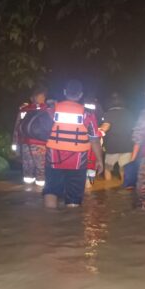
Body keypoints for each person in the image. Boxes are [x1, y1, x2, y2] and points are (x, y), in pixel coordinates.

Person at [43, 80, 104, 208]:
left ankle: (48, 221)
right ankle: (71, 224)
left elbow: (43, 131)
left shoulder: (52, 109)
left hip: (54, 157)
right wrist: (99, 160)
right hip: (78, 160)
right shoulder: (88, 113)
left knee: (51, 190)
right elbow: (94, 139)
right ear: (80, 94)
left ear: (65, 92)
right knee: (74, 197)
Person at [12, 87, 48, 187]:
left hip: (25, 143)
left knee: (27, 168)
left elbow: (17, 129)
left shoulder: (24, 110)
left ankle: (27, 190)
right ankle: (40, 191)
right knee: (41, 169)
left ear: (32, 98)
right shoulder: (48, 109)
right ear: (43, 97)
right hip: (41, 145)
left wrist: (15, 145)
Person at [100, 92, 135, 181]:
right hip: (127, 146)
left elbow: (105, 128)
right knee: (123, 170)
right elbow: (134, 130)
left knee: (108, 169)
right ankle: (124, 193)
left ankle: (107, 190)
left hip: (112, 146)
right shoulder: (129, 114)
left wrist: (96, 130)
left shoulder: (109, 113)